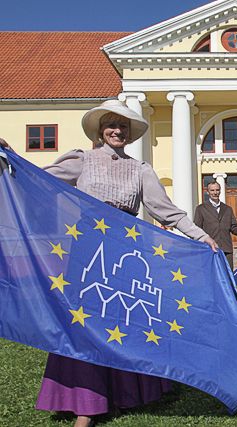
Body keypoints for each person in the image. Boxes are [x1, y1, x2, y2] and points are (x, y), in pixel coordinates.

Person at [3, 100, 217, 427]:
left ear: (130, 134)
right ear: (101, 130)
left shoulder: (141, 169)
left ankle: (125, 393)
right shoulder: (82, 160)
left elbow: (166, 211)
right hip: (88, 247)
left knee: (126, 319)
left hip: (126, 250)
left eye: (124, 127)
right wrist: (11, 156)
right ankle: (83, 400)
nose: (117, 130)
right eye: (112, 125)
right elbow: (38, 179)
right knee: (82, 320)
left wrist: (200, 236)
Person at [194, 181, 237, 269]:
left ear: (220, 191)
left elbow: (234, 227)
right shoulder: (201, 209)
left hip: (226, 250)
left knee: (227, 276)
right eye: (212, 190)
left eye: (217, 190)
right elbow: (197, 229)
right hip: (209, 249)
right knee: (211, 275)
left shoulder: (227, 209)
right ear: (208, 192)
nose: (215, 193)